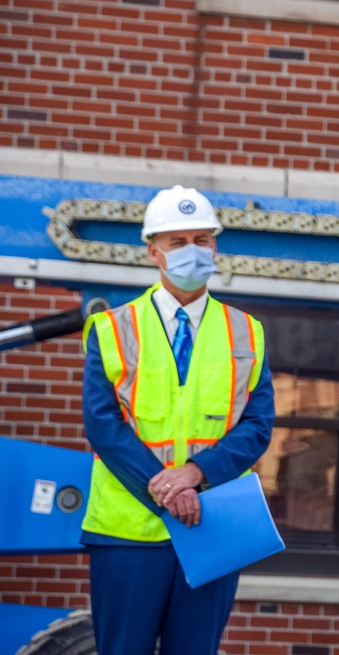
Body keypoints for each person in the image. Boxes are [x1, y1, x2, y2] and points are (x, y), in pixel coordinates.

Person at [80, 185, 275, 655]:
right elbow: (104, 427)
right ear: (153, 251)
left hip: (213, 525)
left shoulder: (248, 330)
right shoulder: (111, 328)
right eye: (177, 241)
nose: (193, 250)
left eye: (202, 239)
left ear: (215, 247)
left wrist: (195, 475)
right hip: (129, 531)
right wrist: (166, 489)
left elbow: (257, 425)